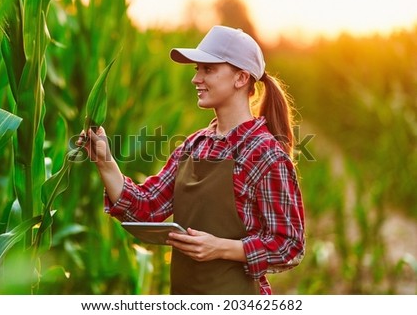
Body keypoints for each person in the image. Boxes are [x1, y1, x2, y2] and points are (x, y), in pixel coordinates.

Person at [81, 25, 305, 295]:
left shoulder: (265, 154)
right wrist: (106, 162)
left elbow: (289, 245)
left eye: (208, 69)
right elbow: (147, 208)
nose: (196, 79)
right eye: (196, 69)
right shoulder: (194, 145)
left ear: (241, 78)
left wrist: (221, 247)